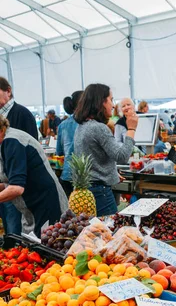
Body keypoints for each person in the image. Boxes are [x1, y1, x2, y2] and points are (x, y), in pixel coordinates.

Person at [74, 83, 138, 216]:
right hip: (100, 192)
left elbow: (93, 159)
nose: (113, 105)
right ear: (101, 102)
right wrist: (131, 129)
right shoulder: (99, 128)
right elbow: (122, 156)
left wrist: (112, 172)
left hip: (88, 191)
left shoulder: (82, 126)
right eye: (111, 99)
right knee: (109, 233)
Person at [0, 115, 68, 237]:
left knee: (47, 247)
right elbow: (11, 182)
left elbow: (17, 188)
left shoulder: (12, 141)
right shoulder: (6, 141)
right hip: (32, 207)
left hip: (46, 205)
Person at [0, 76, 38, 234]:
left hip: (18, 185)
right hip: (6, 184)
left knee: (16, 227)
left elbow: (32, 150)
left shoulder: (22, 114)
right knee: (9, 224)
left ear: (8, 91)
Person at [56, 90, 83, 197]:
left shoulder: (63, 125)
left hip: (67, 175)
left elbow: (59, 151)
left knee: (69, 212)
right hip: (86, 179)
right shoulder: (89, 123)